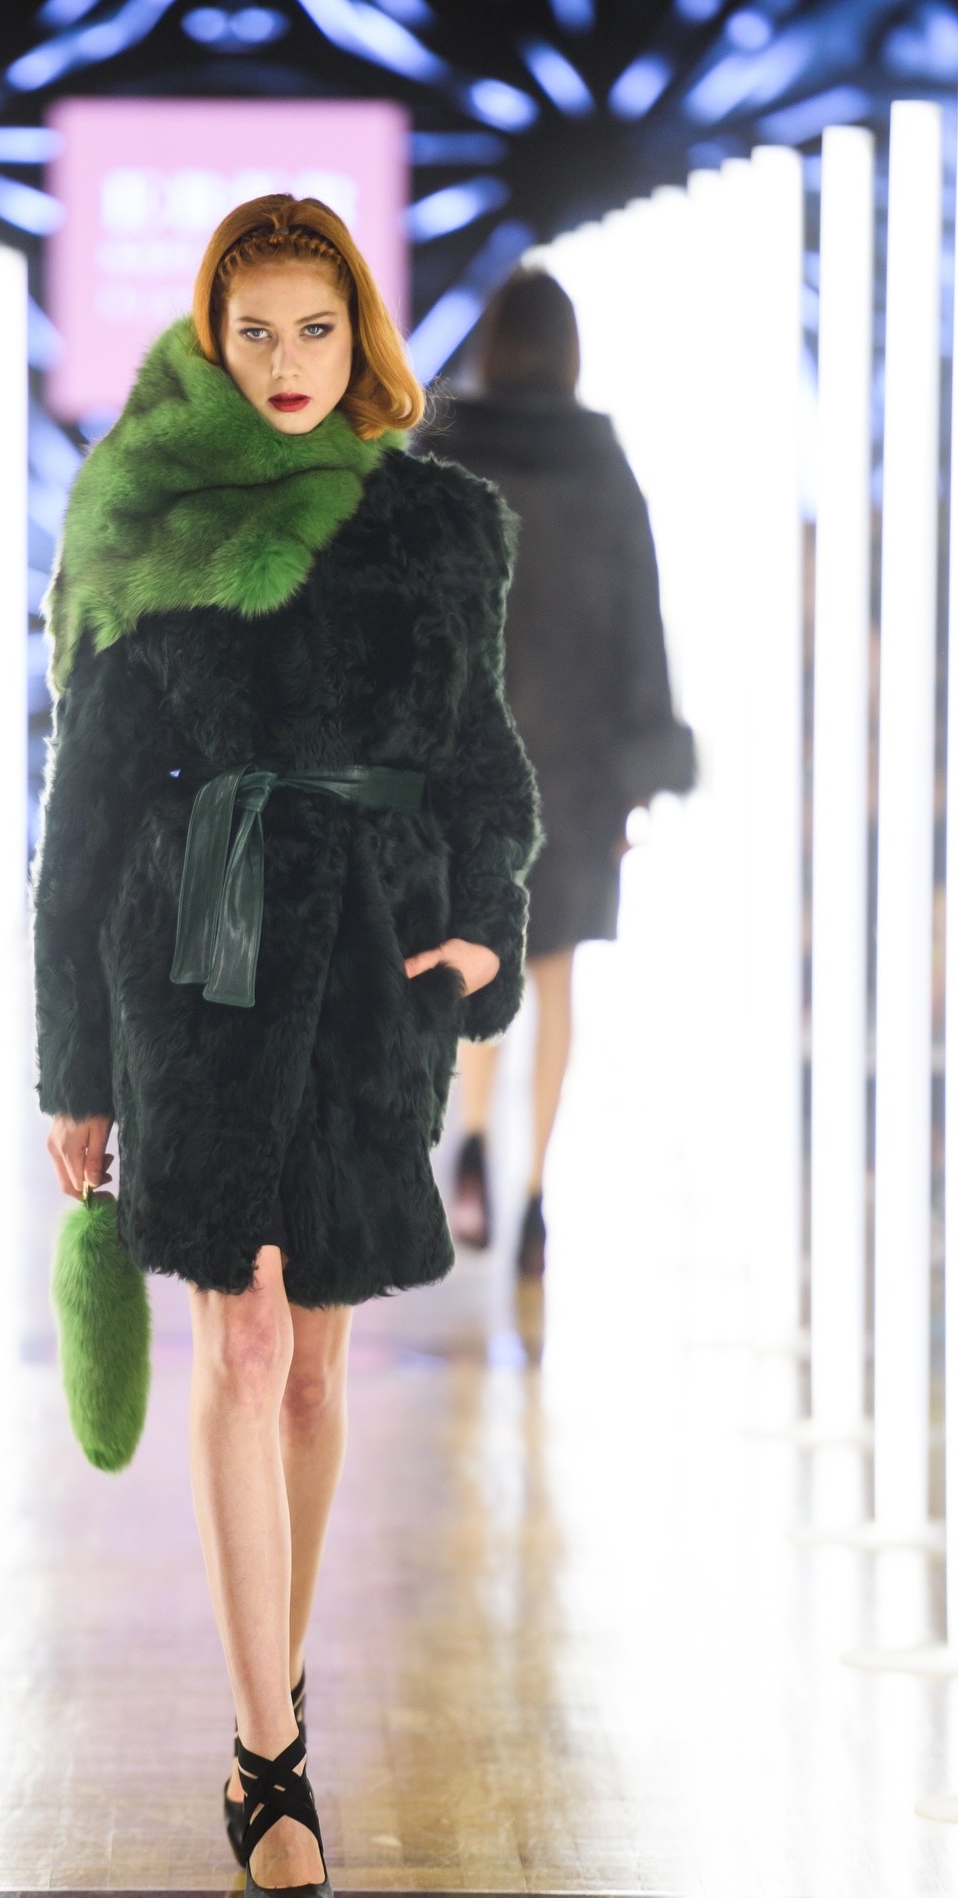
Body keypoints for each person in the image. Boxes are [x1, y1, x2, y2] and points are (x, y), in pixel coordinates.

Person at [30, 194, 541, 1898]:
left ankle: (280, 1689)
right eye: (252, 331)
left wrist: (482, 930)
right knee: (240, 1340)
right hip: (194, 955)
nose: (285, 362)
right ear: (209, 334)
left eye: (314, 328)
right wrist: (74, 1059)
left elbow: (481, 757)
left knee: (317, 1364)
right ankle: (269, 1764)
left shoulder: (438, 527)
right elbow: (86, 808)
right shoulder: (150, 515)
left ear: (360, 334)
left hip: (371, 970)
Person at [434, 268, 694, 1282]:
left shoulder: (446, 452)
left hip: (474, 759)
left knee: (479, 954)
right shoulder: (602, 465)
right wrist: (642, 770)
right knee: (556, 977)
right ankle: (537, 1195)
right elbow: (641, 624)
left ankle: (472, 1143)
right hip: (579, 768)